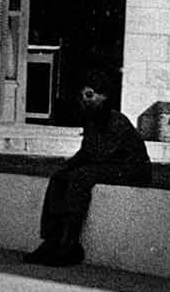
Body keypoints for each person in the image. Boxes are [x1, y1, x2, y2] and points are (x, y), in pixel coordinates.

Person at [24, 70, 152, 268]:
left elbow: (100, 155)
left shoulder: (116, 121)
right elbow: (86, 153)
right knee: (59, 177)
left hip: (131, 170)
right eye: (83, 96)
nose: (85, 100)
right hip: (109, 167)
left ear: (104, 97)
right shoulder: (93, 120)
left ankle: (69, 245)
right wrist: (65, 168)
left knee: (80, 177)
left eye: (90, 95)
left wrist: (77, 166)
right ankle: (52, 239)